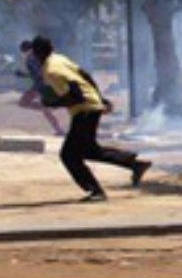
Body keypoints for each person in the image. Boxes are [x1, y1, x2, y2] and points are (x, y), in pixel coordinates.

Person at [31, 36, 150, 202]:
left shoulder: (51, 71)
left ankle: (97, 191)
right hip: (90, 106)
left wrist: (53, 103)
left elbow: (76, 96)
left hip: (84, 110)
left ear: (37, 54)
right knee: (89, 150)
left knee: (69, 156)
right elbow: (85, 76)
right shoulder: (59, 58)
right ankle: (134, 164)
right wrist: (99, 98)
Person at [14, 40, 64, 136]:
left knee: (23, 103)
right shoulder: (37, 55)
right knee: (28, 104)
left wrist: (23, 74)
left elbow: (39, 73)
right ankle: (58, 128)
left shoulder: (30, 58)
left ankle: (58, 127)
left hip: (41, 85)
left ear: (24, 50)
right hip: (42, 85)